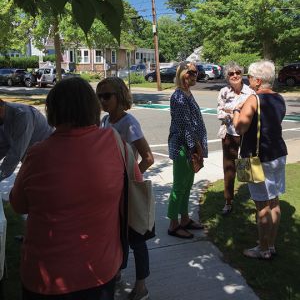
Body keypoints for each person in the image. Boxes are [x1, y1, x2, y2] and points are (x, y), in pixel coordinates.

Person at [9, 77, 134, 299]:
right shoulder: (115, 143)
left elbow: (18, 205)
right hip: (101, 271)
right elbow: (133, 187)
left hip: (46, 276)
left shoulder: (38, 154)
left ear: (53, 110)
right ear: (92, 107)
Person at [96, 77, 154, 300]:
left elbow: (148, 158)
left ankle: (141, 286)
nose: (102, 101)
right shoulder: (104, 121)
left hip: (128, 191)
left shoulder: (129, 123)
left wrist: (131, 178)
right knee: (115, 235)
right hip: (110, 190)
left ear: (119, 96)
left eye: (107, 96)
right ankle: (117, 271)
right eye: (99, 96)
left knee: (137, 238)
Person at [233, 60, 287, 260]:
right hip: (278, 154)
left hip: (257, 158)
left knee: (261, 206)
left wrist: (236, 112)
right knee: (274, 202)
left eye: (249, 76)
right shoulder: (279, 98)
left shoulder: (253, 99)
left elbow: (240, 128)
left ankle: (262, 249)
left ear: (257, 80)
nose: (247, 79)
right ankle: (270, 244)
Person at [167, 61, 208, 239]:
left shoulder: (187, 93)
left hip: (191, 146)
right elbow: (185, 127)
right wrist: (196, 148)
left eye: (196, 72)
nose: (195, 75)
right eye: (191, 72)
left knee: (187, 185)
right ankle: (173, 224)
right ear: (182, 73)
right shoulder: (178, 97)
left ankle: (184, 219)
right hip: (184, 147)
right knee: (179, 186)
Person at [217, 62, 254, 215]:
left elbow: (252, 113)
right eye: (231, 73)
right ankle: (228, 201)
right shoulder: (224, 92)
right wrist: (236, 112)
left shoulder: (251, 92)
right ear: (227, 76)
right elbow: (220, 113)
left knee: (248, 166)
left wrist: (230, 111)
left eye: (237, 72)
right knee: (229, 168)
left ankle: (255, 197)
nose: (235, 76)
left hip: (246, 135)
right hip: (229, 135)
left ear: (242, 74)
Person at [0, 99, 53, 182]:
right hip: (32, 161)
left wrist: (1, 174)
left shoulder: (23, 115)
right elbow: (2, 146)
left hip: (48, 160)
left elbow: (16, 152)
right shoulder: (3, 119)